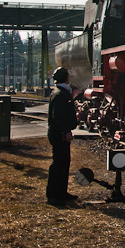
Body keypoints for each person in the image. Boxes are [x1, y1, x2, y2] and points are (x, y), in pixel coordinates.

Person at [46, 67, 78, 207]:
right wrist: (66, 132)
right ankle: (53, 195)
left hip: (59, 133)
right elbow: (58, 116)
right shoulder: (60, 94)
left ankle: (61, 192)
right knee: (58, 164)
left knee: (64, 163)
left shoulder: (59, 92)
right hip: (59, 134)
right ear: (66, 78)